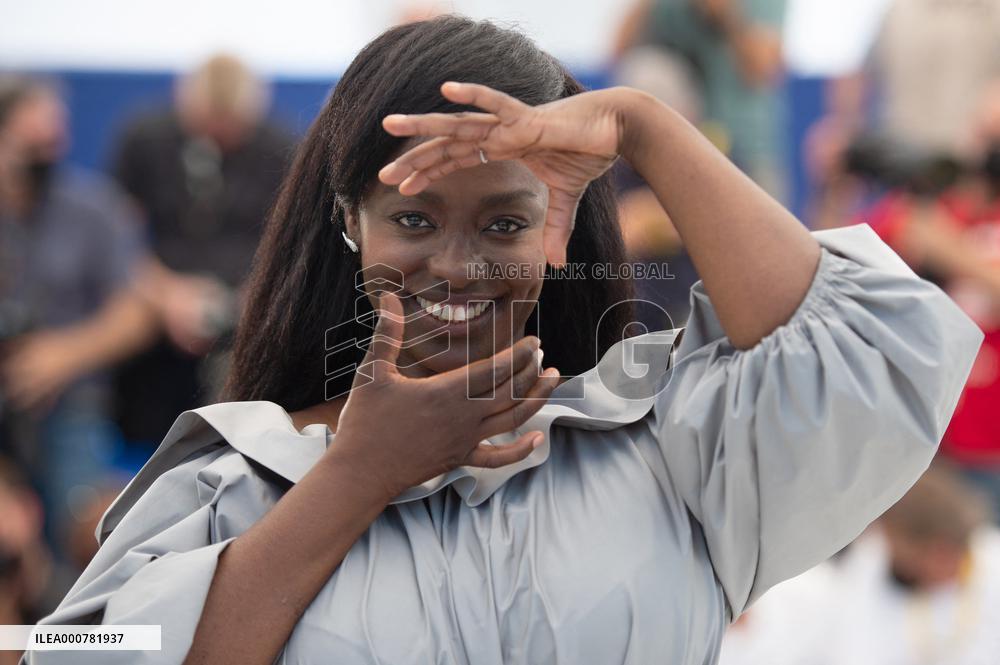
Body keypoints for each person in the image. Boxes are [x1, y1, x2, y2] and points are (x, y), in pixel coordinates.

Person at [23, 15, 983, 665]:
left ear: (556, 231)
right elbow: (77, 652)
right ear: (350, 222)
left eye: (504, 223)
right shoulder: (232, 481)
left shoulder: (669, 451)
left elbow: (875, 348)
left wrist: (641, 126)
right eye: (413, 218)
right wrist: (357, 476)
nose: (456, 264)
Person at [0, 76, 157, 562]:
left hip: (71, 406)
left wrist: (65, 355)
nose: (48, 154)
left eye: (54, 141)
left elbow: (136, 311)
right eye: (32, 144)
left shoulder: (92, 207)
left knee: (89, 539)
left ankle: (71, 612)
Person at [110, 54, 296, 452]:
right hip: (155, 293)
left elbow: (291, 242)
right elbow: (117, 237)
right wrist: (166, 295)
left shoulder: (279, 146)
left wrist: (254, 295)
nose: (217, 136)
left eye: (229, 128)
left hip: (248, 296)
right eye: (208, 124)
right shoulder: (146, 139)